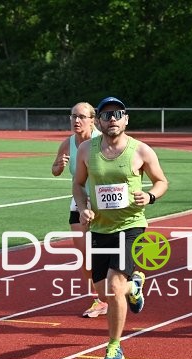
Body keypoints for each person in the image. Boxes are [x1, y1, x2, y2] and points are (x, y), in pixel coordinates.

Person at [72, 97, 169, 359]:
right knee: (103, 292)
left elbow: (161, 181)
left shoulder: (141, 151)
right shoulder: (85, 150)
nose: (112, 119)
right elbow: (78, 184)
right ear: (99, 122)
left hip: (130, 226)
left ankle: (114, 345)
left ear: (126, 119)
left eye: (118, 114)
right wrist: (82, 208)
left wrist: (150, 197)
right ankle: (135, 285)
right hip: (99, 228)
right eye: (106, 115)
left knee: (115, 287)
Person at [51, 102, 107, 318]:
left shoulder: (101, 142)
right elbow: (55, 170)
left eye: (82, 116)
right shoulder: (68, 143)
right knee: (84, 254)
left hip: (103, 201)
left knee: (105, 252)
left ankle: (120, 287)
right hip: (79, 199)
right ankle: (100, 298)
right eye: (73, 116)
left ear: (93, 120)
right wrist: (59, 166)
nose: (76, 120)